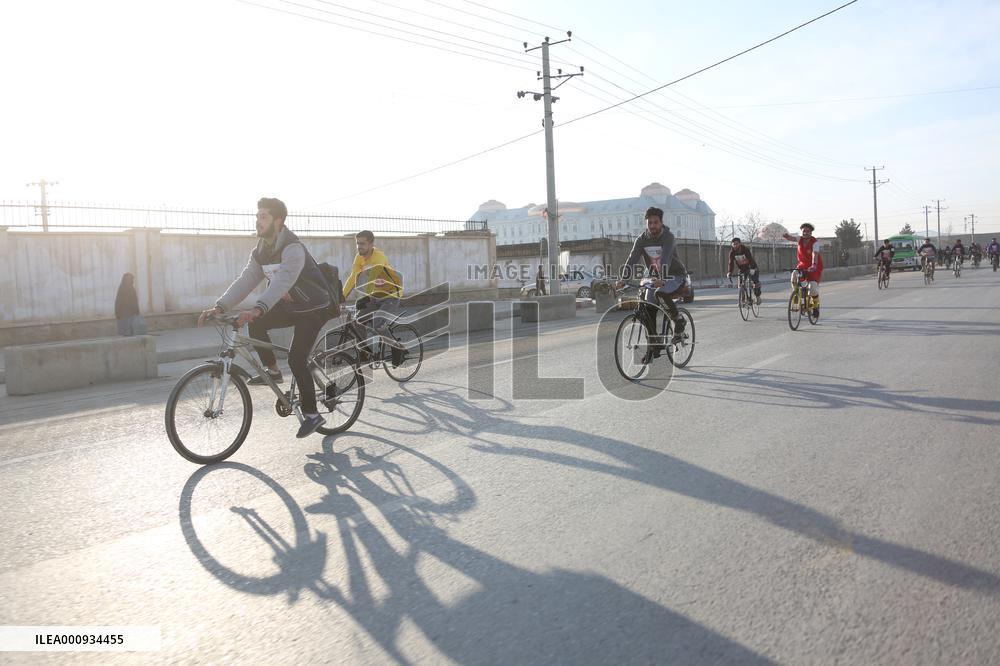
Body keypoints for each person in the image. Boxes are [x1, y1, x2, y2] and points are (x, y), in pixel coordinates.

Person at [198, 197, 332, 439]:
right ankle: (272, 370)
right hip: (291, 306)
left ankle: (313, 414)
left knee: (296, 358)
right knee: (256, 323)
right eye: (257, 216)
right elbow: (246, 280)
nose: (258, 221)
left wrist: (258, 308)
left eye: (263, 217)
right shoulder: (261, 251)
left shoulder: (293, 248)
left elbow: (282, 282)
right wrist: (219, 307)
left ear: (277, 221)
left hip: (313, 308)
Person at [615, 207, 686, 363]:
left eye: (655, 222)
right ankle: (653, 347)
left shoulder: (668, 237)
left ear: (661, 223)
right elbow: (632, 259)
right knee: (647, 310)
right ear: (646, 223)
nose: (652, 226)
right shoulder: (641, 240)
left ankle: (678, 319)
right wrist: (623, 279)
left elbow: (666, 258)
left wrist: (662, 278)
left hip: (674, 275)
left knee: (660, 292)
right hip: (654, 277)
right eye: (649, 223)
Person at [342, 230, 403, 352]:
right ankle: (365, 352)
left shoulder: (379, 257)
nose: (359, 246)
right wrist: (341, 297)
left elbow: (373, 277)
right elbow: (353, 277)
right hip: (375, 295)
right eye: (357, 243)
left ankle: (397, 348)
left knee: (378, 323)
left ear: (371, 244)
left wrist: (365, 298)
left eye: (362, 243)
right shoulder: (359, 258)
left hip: (390, 295)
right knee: (358, 321)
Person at [782, 223, 823, 318]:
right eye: (803, 231)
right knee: (794, 274)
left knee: (812, 288)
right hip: (802, 265)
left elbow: (814, 254)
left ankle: (815, 306)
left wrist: (814, 265)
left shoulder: (815, 242)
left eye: (807, 231)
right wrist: (786, 236)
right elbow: (791, 238)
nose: (805, 233)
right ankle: (796, 294)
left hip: (815, 266)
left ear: (811, 232)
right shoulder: (799, 239)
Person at [726, 237, 762, 304]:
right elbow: (731, 263)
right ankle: (743, 301)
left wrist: (753, 268)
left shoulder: (745, 249)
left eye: (737, 244)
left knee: (755, 281)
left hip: (751, 267)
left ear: (740, 243)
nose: (735, 246)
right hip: (742, 269)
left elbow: (750, 259)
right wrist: (729, 272)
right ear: (731, 245)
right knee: (741, 285)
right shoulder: (732, 252)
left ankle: (758, 297)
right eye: (733, 244)